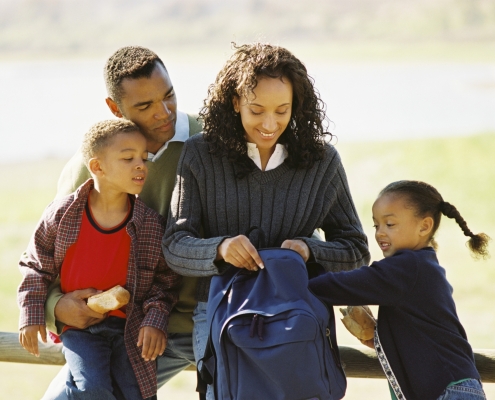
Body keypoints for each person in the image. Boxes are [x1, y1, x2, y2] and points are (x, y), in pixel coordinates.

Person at [162, 42, 371, 398]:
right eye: (256, 110)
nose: (270, 124)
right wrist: (221, 248)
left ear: (296, 106)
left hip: (298, 313)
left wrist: (308, 250)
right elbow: (175, 246)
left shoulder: (322, 161)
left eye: (282, 110)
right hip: (220, 311)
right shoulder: (201, 153)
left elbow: (356, 250)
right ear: (234, 102)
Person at [41, 46, 203, 400]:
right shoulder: (92, 165)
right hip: (117, 330)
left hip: (196, 325)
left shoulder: (212, 144)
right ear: (114, 109)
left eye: (169, 96)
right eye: (144, 106)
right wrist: (56, 305)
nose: (164, 113)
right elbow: (49, 252)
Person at [18, 119, 182, 399]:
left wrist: (154, 320)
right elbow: (35, 266)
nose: (141, 165)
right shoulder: (62, 215)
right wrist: (31, 316)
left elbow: (164, 283)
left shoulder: (151, 225)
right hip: (80, 329)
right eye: (128, 158)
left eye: (144, 157)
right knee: (92, 388)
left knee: (137, 392)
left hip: (129, 328)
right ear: (97, 167)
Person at [308, 180, 489, 400]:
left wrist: (293, 275)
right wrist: (381, 338)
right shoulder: (421, 266)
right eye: (376, 226)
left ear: (424, 226)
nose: (379, 233)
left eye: (390, 224)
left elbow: (335, 286)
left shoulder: (407, 268)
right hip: (453, 388)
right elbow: (422, 330)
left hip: (450, 392)